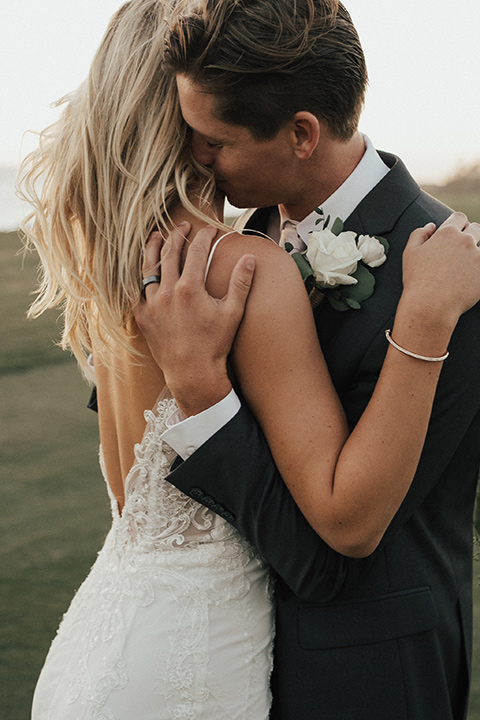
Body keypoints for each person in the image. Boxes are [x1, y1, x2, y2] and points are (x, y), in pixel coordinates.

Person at [20, 1, 479, 719]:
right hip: (211, 658)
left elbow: (342, 549)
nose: (203, 156)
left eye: (216, 140)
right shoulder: (199, 270)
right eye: (194, 138)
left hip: (366, 680)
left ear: (300, 133)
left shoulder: (449, 274)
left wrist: (203, 391)